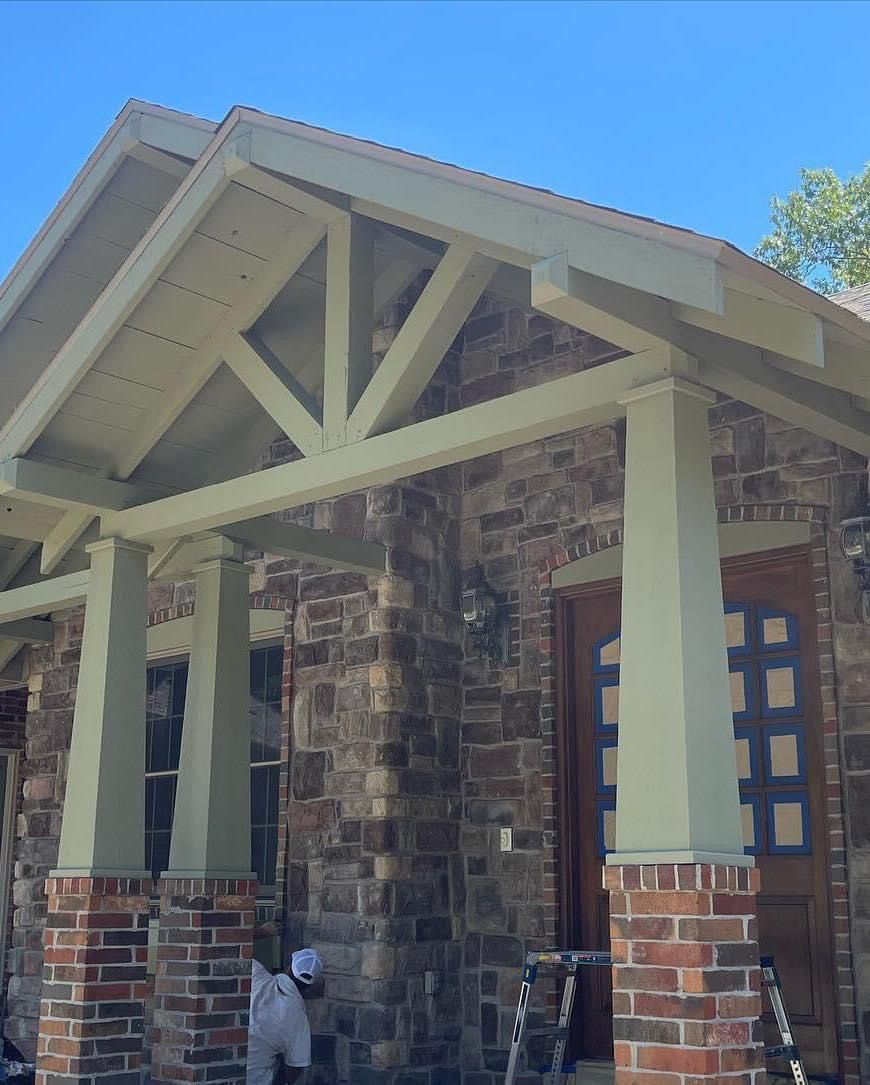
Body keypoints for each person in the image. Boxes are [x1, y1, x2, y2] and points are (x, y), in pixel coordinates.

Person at [247, 945, 324, 1085]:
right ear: (312, 985)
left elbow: (230, 948)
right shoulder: (298, 1018)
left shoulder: (256, 976)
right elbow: (296, 1066)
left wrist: (264, 932)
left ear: (289, 967)